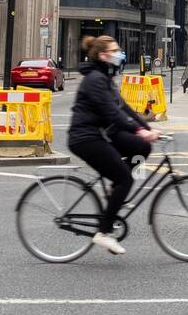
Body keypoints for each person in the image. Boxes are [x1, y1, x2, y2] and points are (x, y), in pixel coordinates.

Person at [68, 35, 159, 255]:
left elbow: (124, 107)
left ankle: (113, 192)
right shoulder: (95, 80)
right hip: (85, 139)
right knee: (125, 179)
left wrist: (144, 127)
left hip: (101, 134)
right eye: (115, 50)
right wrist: (139, 131)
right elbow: (112, 113)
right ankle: (104, 232)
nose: (120, 54)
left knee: (142, 148)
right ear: (103, 55)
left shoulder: (105, 77)